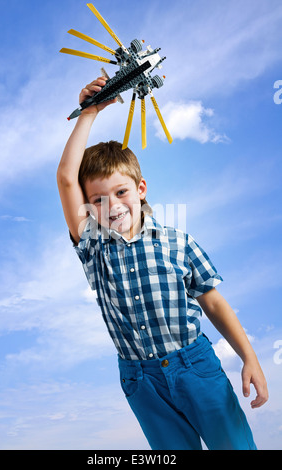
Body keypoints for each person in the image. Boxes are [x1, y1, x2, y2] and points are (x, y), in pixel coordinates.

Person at [57, 77, 268, 450]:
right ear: (88, 208)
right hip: (141, 380)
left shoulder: (178, 242)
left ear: (140, 190)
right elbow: (65, 178)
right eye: (99, 200)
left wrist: (249, 357)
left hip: (196, 366)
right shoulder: (93, 245)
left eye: (121, 192)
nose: (113, 205)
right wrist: (89, 113)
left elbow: (214, 302)